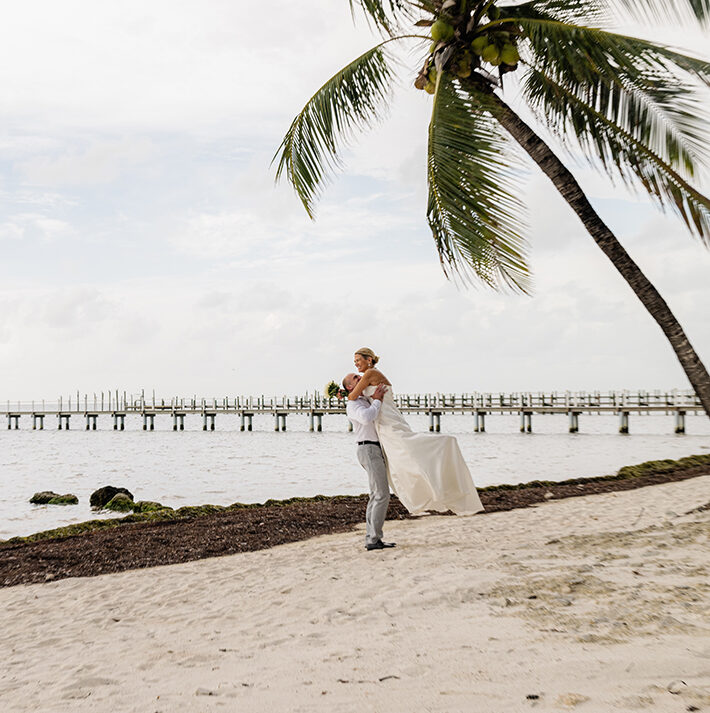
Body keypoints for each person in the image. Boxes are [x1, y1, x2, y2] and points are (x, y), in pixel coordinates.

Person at [346, 347, 484, 515]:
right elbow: (358, 395)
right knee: (403, 460)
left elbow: (352, 396)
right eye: (354, 361)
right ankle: (427, 491)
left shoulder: (370, 374)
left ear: (369, 360)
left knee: (409, 452)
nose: (356, 364)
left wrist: (345, 394)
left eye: (358, 360)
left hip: (387, 421)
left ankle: (443, 449)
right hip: (383, 422)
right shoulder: (369, 376)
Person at [341, 374, 396, 551]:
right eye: (356, 378)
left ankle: (372, 537)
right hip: (368, 449)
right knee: (381, 494)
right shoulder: (353, 404)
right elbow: (366, 418)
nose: (361, 378)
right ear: (350, 387)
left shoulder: (363, 399)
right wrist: (377, 401)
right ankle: (373, 539)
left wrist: (376, 398)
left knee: (376, 494)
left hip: (374, 448)